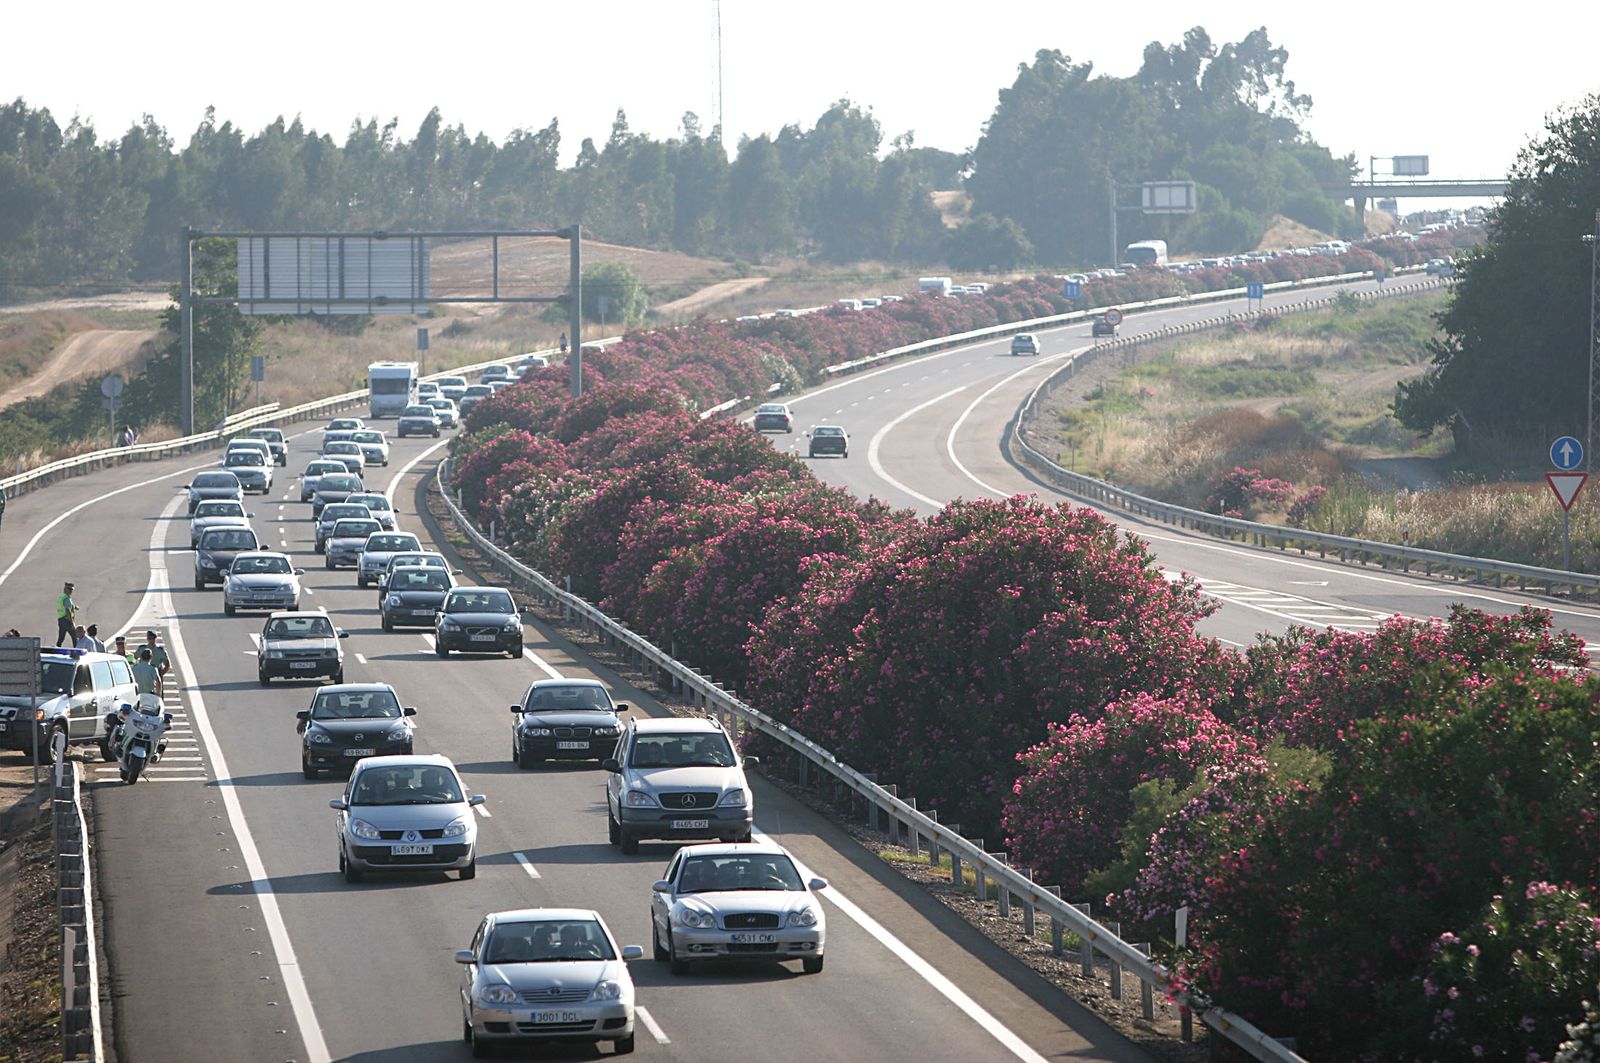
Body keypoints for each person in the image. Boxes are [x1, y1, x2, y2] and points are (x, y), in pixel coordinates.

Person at [55, 581, 77, 647]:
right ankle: (76, 650)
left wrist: (75, 607)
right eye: (69, 589)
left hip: (61, 620)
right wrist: (72, 622)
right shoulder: (66, 598)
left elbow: (66, 606)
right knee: (75, 636)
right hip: (67, 620)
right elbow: (68, 610)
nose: (71, 591)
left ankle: (57, 649)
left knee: (61, 637)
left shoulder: (62, 596)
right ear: (65, 589)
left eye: (72, 589)